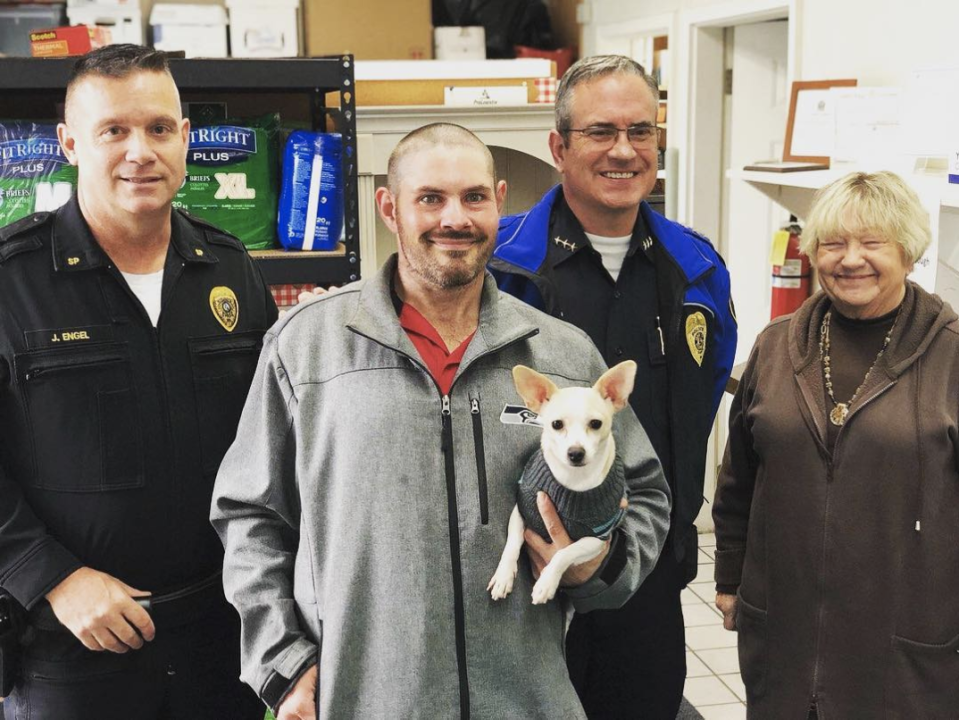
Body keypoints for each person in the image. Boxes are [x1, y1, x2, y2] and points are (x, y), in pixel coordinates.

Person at [210, 122, 670, 720]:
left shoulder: (561, 356)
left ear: (500, 202)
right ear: (389, 208)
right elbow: (249, 512)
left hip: (526, 700)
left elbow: (647, 494)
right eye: (430, 198)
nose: (455, 217)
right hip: (367, 697)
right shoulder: (308, 346)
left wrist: (599, 563)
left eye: (474, 197)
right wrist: (283, 663)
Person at [0, 45, 275, 719]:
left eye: (158, 128)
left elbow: (277, 440)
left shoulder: (230, 269)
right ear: (70, 143)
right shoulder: (12, 280)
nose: (140, 151)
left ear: (185, 138)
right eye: (112, 131)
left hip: (221, 637)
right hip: (70, 649)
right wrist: (53, 578)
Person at [490, 55, 737, 718]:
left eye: (641, 131)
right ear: (558, 147)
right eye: (600, 132)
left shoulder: (698, 273)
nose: (624, 150)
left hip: (648, 575)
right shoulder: (502, 272)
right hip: (528, 580)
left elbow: (700, 403)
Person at [713, 171, 959, 719]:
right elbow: (740, 476)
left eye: (872, 242)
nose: (850, 259)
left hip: (904, 640)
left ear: (909, 251)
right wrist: (730, 575)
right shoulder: (776, 346)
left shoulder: (951, 356)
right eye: (833, 242)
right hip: (785, 629)